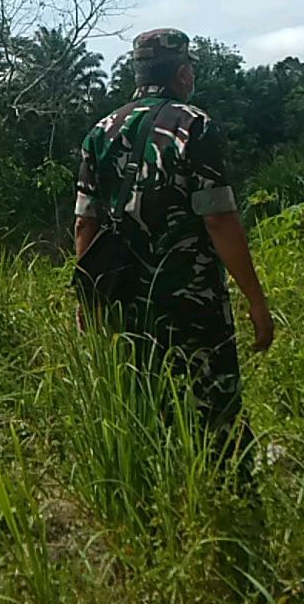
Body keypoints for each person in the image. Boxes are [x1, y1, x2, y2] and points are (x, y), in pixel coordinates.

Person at [72, 28, 274, 487]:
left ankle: (156, 494)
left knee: (142, 397)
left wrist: (90, 297)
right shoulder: (194, 125)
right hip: (191, 299)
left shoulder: (99, 133)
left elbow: (86, 223)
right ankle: (228, 498)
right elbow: (219, 221)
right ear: (183, 73)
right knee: (212, 404)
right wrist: (256, 301)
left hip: (124, 297)